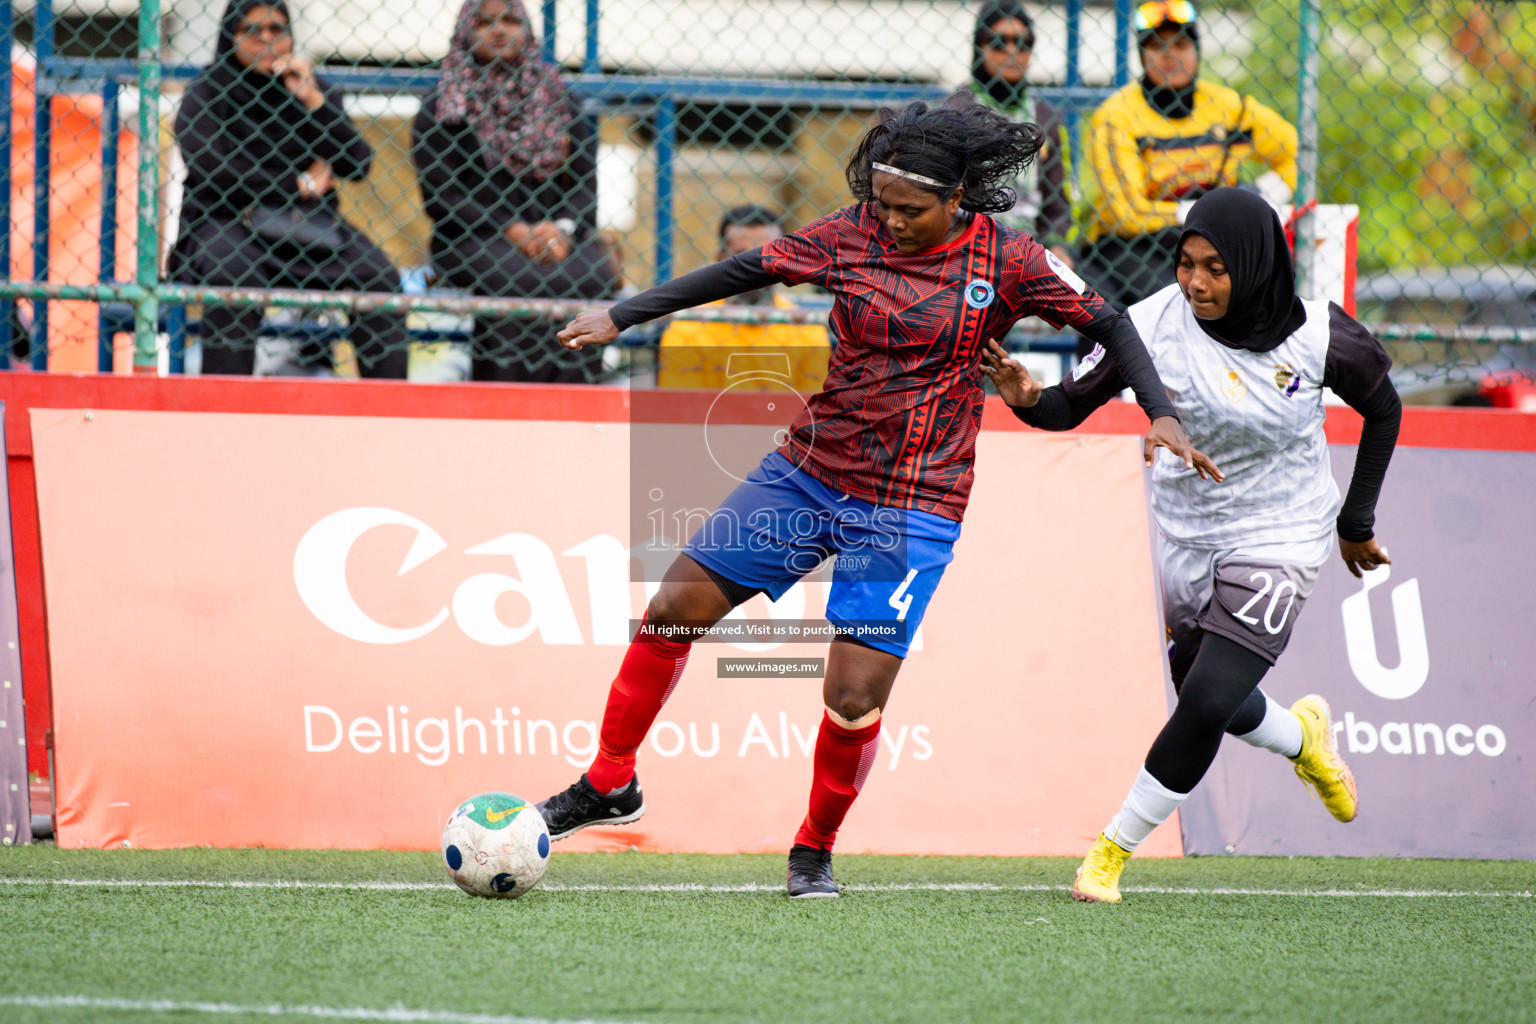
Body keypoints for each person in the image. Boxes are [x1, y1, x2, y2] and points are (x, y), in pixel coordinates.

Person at [537, 101, 1218, 898]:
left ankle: (814, 851)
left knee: (853, 695)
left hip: (913, 501)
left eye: (909, 209)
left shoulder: (1012, 259)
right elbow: (746, 270)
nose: (888, 220)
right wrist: (625, 313)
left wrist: (1160, 412)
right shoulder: (850, 231)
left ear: (957, 199)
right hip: (811, 469)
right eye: (883, 202)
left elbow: (1113, 324)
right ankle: (609, 782)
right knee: (672, 605)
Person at [982, 186, 1402, 903]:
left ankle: (1110, 854)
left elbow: (1384, 409)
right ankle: (1304, 740)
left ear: (1257, 263)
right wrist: (1029, 401)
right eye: (1186, 264)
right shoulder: (1147, 325)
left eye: (1215, 267)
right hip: (1188, 535)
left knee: (1205, 699)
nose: (1197, 283)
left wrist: (1354, 524)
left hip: (1282, 532)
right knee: (1206, 693)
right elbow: (1069, 407)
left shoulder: (1319, 338)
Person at [170, 0, 408, 378]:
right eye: (251, 30)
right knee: (235, 276)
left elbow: (357, 164)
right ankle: (222, 409)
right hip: (227, 221)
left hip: (307, 225)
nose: (266, 39)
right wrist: (299, 184)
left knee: (378, 277)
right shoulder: (207, 92)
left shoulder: (312, 90)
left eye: (276, 29)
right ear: (230, 37)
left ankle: (390, 413)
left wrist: (314, 101)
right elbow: (215, 171)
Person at [412, 0, 620, 383]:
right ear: (465, 32)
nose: (499, 30)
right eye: (485, 22)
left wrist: (561, 228)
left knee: (593, 274)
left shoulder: (559, 100)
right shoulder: (443, 105)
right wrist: (513, 229)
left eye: (509, 20)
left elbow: (584, 188)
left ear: (526, 29)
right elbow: (442, 195)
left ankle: (575, 401)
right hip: (474, 236)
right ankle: (504, 399)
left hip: (555, 237)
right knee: (514, 279)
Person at [1079, 0, 1297, 320]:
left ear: (1196, 49)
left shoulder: (1228, 107)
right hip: (1135, 246)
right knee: (1174, 303)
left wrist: (1263, 196)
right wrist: (1202, 212)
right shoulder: (1116, 117)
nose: (1170, 54)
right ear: (1142, 54)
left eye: (1181, 43)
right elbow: (1126, 214)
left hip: (1216, 240)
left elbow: (1296, 153)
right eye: (1156, 45)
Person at [945, 0, 1073, 267]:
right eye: (1000, 42)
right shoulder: (955, 111)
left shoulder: (1045, 118)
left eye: (1024, 43)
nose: (1013, 51)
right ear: (980, 46)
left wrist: (1058, 246)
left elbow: (1057, 204)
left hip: (1030, 251)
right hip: (966, 247)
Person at [657, 205, 831, 392]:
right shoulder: (687, 331)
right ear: (719, 261)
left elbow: (813, 413)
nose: (756, 268)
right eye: (742, 257)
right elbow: (681, 414)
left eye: (769, 255)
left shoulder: (807, 331)